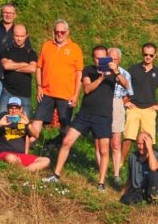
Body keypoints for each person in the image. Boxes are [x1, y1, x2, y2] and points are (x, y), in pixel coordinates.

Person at [45, 45, 126, 189]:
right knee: (67, 141)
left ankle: (101, 183)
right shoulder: (88, 70)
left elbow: (126, 85)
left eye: (102, 58)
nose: (99, 60)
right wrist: (101, 78)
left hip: (103, 116)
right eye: (97, 57)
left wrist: (116, 71)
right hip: (85, 114)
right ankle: (56, 175)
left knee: (104, 149)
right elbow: (87, 89)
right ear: (93, 58)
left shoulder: (114, 72)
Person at [34, 19, 83, 146]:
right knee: (38, 119)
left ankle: (64, 149)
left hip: (66, 93)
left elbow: (79, 74)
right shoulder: (47, 45)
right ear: (53, 32)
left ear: (67, 32)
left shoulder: (75, 48)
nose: (59, 34)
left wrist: (76, 94)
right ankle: (30, 145)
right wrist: (39, 86)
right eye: (57, 32)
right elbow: (39, 68)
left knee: (65, 123)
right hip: (46, 92)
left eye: (62, 32)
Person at [122, 42, 158, 165]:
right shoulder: (133, 69)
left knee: (149, 141)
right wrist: (125, 102)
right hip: (134, 108)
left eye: (151, 55)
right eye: (145, 54)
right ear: (142, 54)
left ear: (155, 56)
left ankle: (147, 165)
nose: (148, 57)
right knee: (128, 139)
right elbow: (123, 85)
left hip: (149, 109)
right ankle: (120, 164)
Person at [0, 97, 50, 173]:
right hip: (4, 154)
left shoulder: (24, 121)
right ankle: (25, 171)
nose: (14, 111)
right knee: (10, 157)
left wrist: (28, 124)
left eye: (17, 108)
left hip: (20, 156)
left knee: (46, 160)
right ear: (7, 108)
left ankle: (24, 171)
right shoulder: (2, 118)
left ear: (21, 109)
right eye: (11, 108)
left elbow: (36, 135)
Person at [0, 23, 37, 112]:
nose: (19, 39)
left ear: (26, 36)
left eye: (22, 36)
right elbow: (6, 65)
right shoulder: (6, 51)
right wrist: (24, 64)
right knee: (2, 119)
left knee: (24, 123)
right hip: (7, 92)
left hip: (24, 93)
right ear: (12, 35)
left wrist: (13, 65)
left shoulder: (31, 53)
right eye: (16, 36)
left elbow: (33, 68)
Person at [107, 47, 132, 181]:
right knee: (101, 140)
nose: (112, 61)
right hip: (102, 104)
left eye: (115, 59)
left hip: (117, 104)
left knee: (116, 142)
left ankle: (116, 173)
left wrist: (121, 103)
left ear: (119, 60)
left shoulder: (124, 73)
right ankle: (101, 168)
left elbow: (129, 92)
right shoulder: (101, 70)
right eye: (110, 58)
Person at [121, 131, 158, 204]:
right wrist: (123, 192)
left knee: (153, 174)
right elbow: (130, 177)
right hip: (140, 190)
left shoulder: (157, 156)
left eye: (144, 144)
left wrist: (149, 149)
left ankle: (154, 199)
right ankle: (145, 199)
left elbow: (153, 168)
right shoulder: (133, 157)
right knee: (125, 199)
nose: (141, 147)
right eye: (139, 144)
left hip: (156, 188)